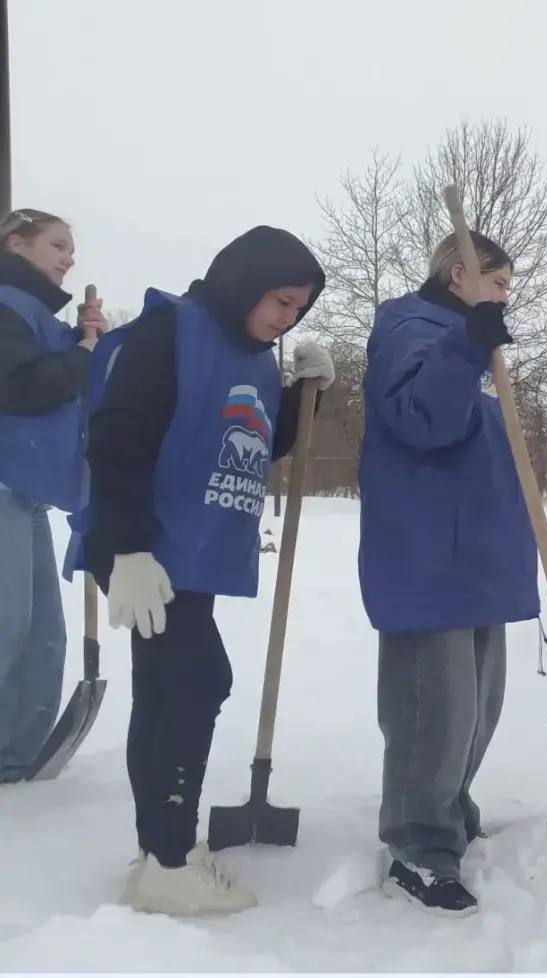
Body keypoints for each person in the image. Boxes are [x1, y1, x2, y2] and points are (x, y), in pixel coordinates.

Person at [78, 226, 331, 915]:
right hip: (146, 546)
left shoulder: (253, 357)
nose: (287, 319)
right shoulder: (171, 333)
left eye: (299, 309)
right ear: (245, 283)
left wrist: (304, 396)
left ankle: (160, 853)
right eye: (281, 301)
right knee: (195, 681)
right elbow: (117, 438)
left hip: (185, 549)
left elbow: (253, 442)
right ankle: (168, 861)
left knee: (167, 689)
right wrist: (127, 549)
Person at [358, 229, 537, 917]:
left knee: (476, 708)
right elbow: (421, 419)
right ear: (459, 274)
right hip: (429, 554)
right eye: (497, 281)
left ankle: (448, 812)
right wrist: (467, 346)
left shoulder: (462, 341)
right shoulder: (410, 326)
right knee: (432, 708)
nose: (505, 295)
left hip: (473, 555)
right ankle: (417, 844)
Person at [0, 209, 103, 783]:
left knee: (41, 634)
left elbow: (65, 377)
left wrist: (88, 341)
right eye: (57, 245)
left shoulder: (36, 315)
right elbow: (18, 386)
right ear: (16, 244)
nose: (69, 257)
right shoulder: (4, 305)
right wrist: (81, 354)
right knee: (7, 626)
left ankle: (13, 757)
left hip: (26, 491)